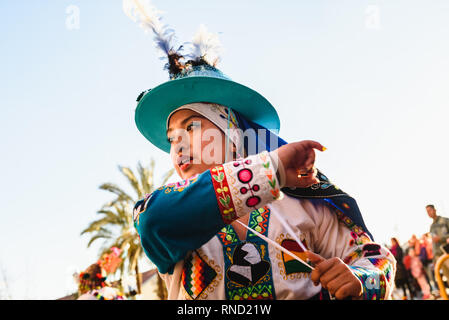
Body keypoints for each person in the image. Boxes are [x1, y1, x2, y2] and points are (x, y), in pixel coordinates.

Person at [124, 0, 396, 300]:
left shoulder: (305, 200)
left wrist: (357, 278)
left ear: (232, 133)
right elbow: (153, 220)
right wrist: (274, 171)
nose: (178, 145)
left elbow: (375, 257)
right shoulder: (168, 212)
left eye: (192, 127)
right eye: (172, 138)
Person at [426, 204, 449, 288]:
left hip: (447, 253)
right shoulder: (431, 227)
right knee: (447, 277)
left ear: (434, 210)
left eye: (430, 210)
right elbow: (433, 244)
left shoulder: (445, 220)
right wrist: (435, 259)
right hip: (439, 256)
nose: (429, 213)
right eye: (427, 212)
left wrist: (441, 238)